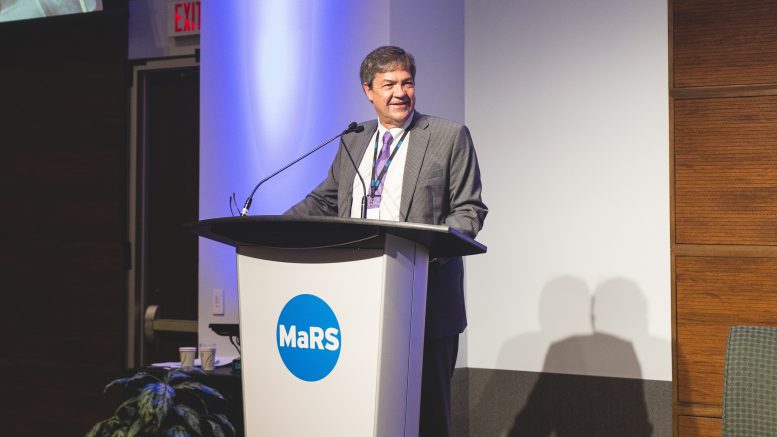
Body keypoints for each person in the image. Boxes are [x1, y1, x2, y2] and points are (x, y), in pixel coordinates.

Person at [286, 45, 487, 436]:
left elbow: (469, 210)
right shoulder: (354, 140)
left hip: (425, 302)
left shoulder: (448, 136)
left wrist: (427, 253)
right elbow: (325, 200)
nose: (401, 92)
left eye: (407, 82)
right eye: (389, 84)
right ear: (368, 91)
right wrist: (270, 227)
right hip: (356, 302)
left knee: (426, 419)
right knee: (366, 414)